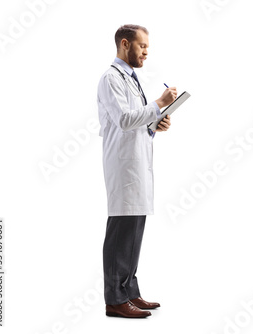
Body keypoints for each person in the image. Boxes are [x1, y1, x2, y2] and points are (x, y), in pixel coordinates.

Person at [97, 24, 177, 318]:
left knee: (134, 231)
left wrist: (155, 122)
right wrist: (159, 103)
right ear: (125, 44)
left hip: (138, 163)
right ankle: (115, 300)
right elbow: (123, 119)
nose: (146, 52)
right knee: (121, 232)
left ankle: (130, 291)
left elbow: (138, 121)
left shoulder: (132, 78)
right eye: (142, 46)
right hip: (123, 165)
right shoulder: (110, 78)